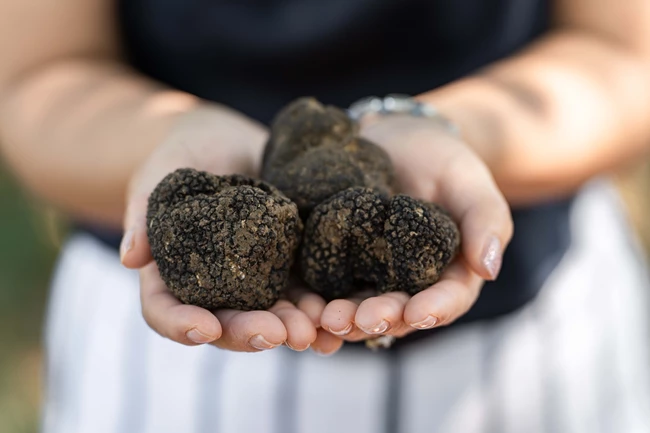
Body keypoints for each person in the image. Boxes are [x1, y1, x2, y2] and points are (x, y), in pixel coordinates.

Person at [1, 0, 649, 431]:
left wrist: (456, 131)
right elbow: (36, 81)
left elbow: (627, 56)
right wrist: (172, 135)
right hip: (171, 380)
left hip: (541, 345)